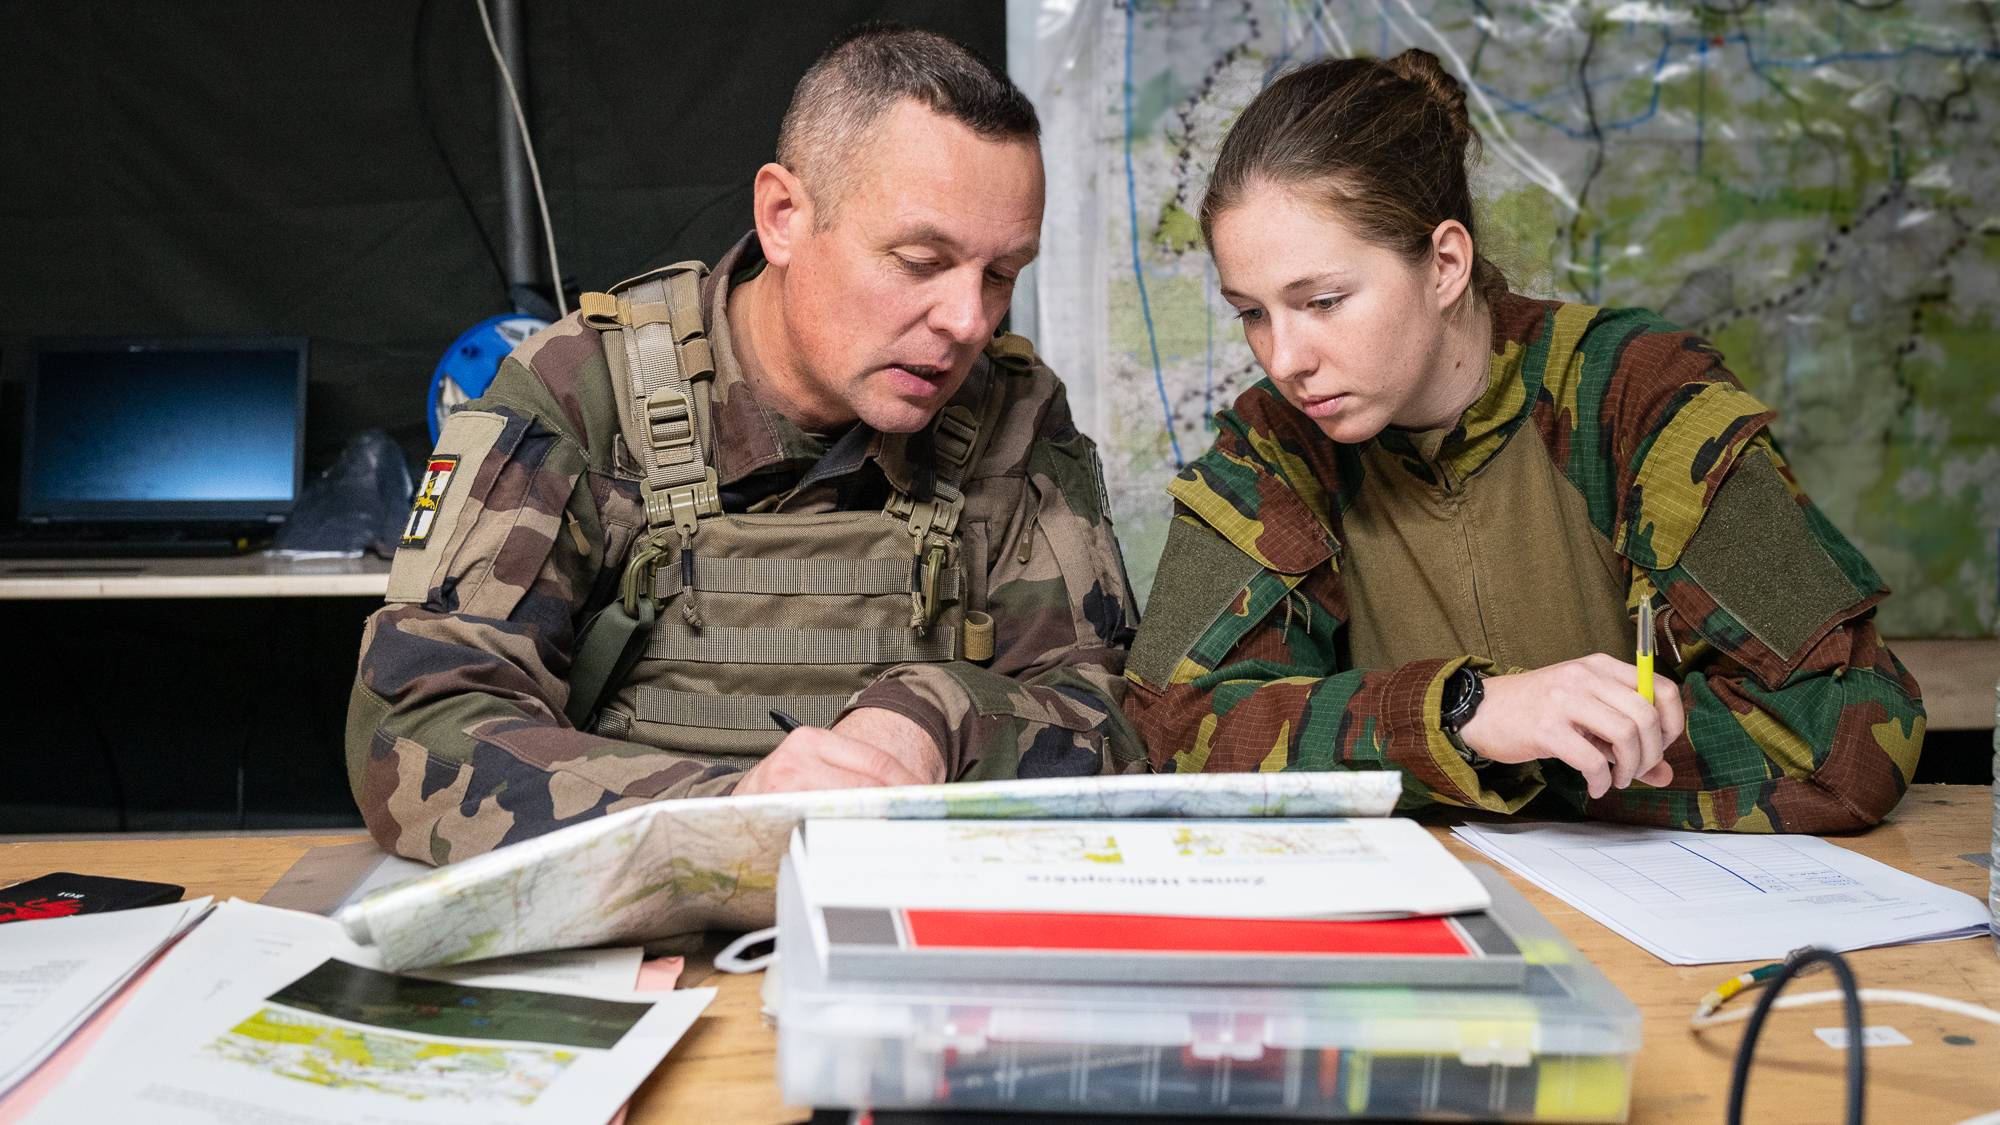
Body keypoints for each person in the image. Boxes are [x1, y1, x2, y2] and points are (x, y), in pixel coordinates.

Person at [349, 25, 1141, 865]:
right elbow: (413, 728)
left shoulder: (1013, 415)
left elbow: (1117, 719)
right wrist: (728, 814)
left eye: (1001, 274)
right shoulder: (585, 392)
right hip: (646, 935)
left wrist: (941, 717)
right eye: (920, 260)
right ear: (783, 217)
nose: (969, 321)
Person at [1123, 50, 1924, 833]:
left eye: (1323, 301)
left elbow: (1849, 736)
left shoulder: (1640, 397)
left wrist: (1538, 748)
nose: (1284, 358)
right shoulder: (1272, 443)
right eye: (1253, 313)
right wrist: (1468, 715)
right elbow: (1174, 730)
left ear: (1443, 264)